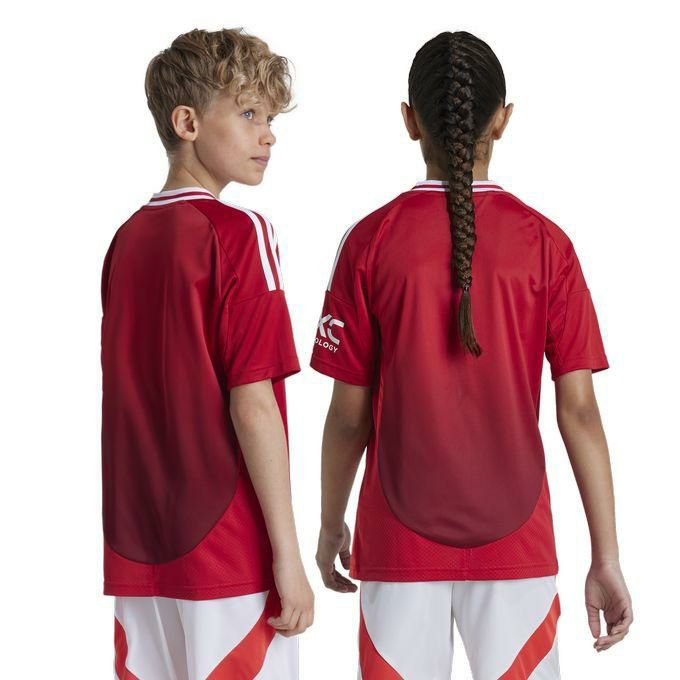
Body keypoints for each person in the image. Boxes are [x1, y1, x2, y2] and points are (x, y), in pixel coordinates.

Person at [311, 30, 632, 679]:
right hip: (517, 542)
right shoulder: (546, 244)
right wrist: (606, 557)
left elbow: (348, 416)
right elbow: (579, 413)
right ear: (502, 120)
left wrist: (330, 524)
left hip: (398, 542)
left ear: (410, 121)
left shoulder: (370, 241)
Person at [100, 28, 313, 680]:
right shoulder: (240, 233)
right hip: (228, 548)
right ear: (187, 123)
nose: (267, 136)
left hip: (139, 546)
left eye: (271, 120)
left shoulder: (126, 241)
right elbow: (253, 404)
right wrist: (286, 556)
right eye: (248, 114)